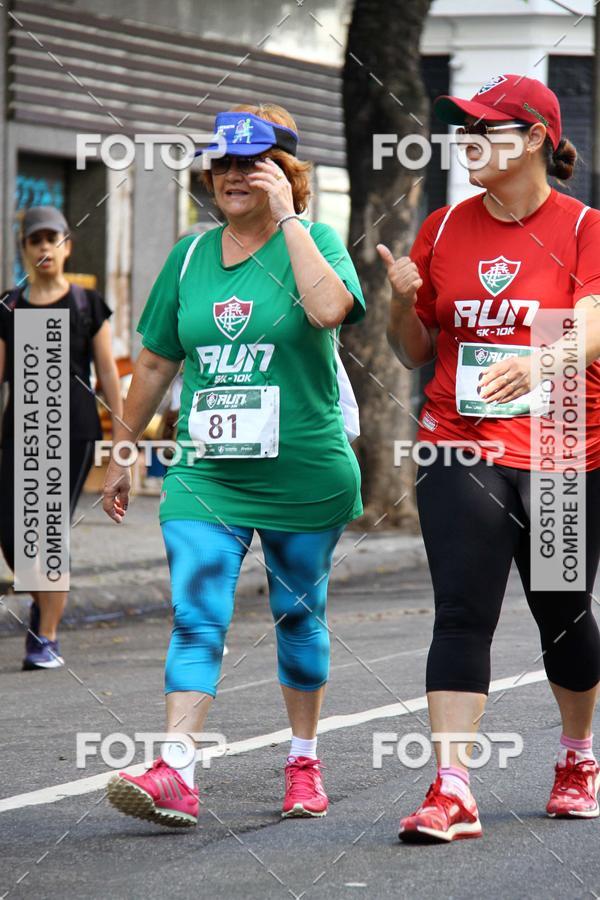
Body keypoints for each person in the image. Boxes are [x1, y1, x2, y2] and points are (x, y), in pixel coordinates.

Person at [103, 104, 365, 827]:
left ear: (285, 173)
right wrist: (126, 449)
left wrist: (289, 222)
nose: (232, 176)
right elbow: (156, 359)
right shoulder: (189, 257)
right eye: (222, 165)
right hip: (206, 470)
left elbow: (327, 311)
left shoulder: (315, 241)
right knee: (197, 612)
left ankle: (303, 760)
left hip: (304, 467)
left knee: (297, 616)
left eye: (251, 163)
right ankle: (176, 771)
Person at [380, 74, 600, 842]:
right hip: (459, 442)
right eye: (461, 127)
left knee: (564, 615)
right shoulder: (440, 228)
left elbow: (595, 326)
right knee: (462, 611)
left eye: (484, 128)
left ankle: (576, 759)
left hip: (563, 448)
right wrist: (400, 299)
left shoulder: (582, 227)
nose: (466, 140)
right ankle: (452, 789)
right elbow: (416, 347)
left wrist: (545, 362)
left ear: (536, 138)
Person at [0, 205, 122, 670]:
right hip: (22, 429)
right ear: (25, 249)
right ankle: (42, 601)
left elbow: (108, 371)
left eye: (53, 238)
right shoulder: (10, 305)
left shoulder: (86, 303)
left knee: (45, 530)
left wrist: (123, 436)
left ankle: (45, 635)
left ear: (67, 246)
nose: (45, 247)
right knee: (13, 532)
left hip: (71, 431)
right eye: (36, 240)